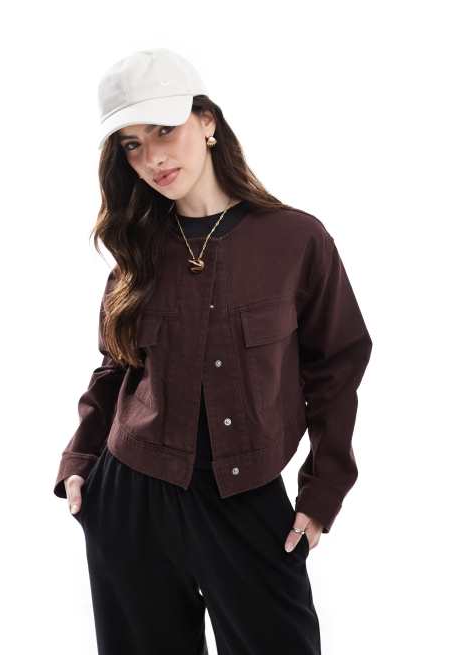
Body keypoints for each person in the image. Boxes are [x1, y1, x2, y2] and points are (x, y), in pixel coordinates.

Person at [53, 47, 373, 655]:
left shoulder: (295, 239)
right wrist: (79, 462)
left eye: (163, 130)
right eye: (131, 145)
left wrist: (323, 491)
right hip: (130, 498)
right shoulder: (139, 248)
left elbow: (338, 365)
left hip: (246, 500)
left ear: (207, 122)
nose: (152, 158)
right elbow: (114, 368)